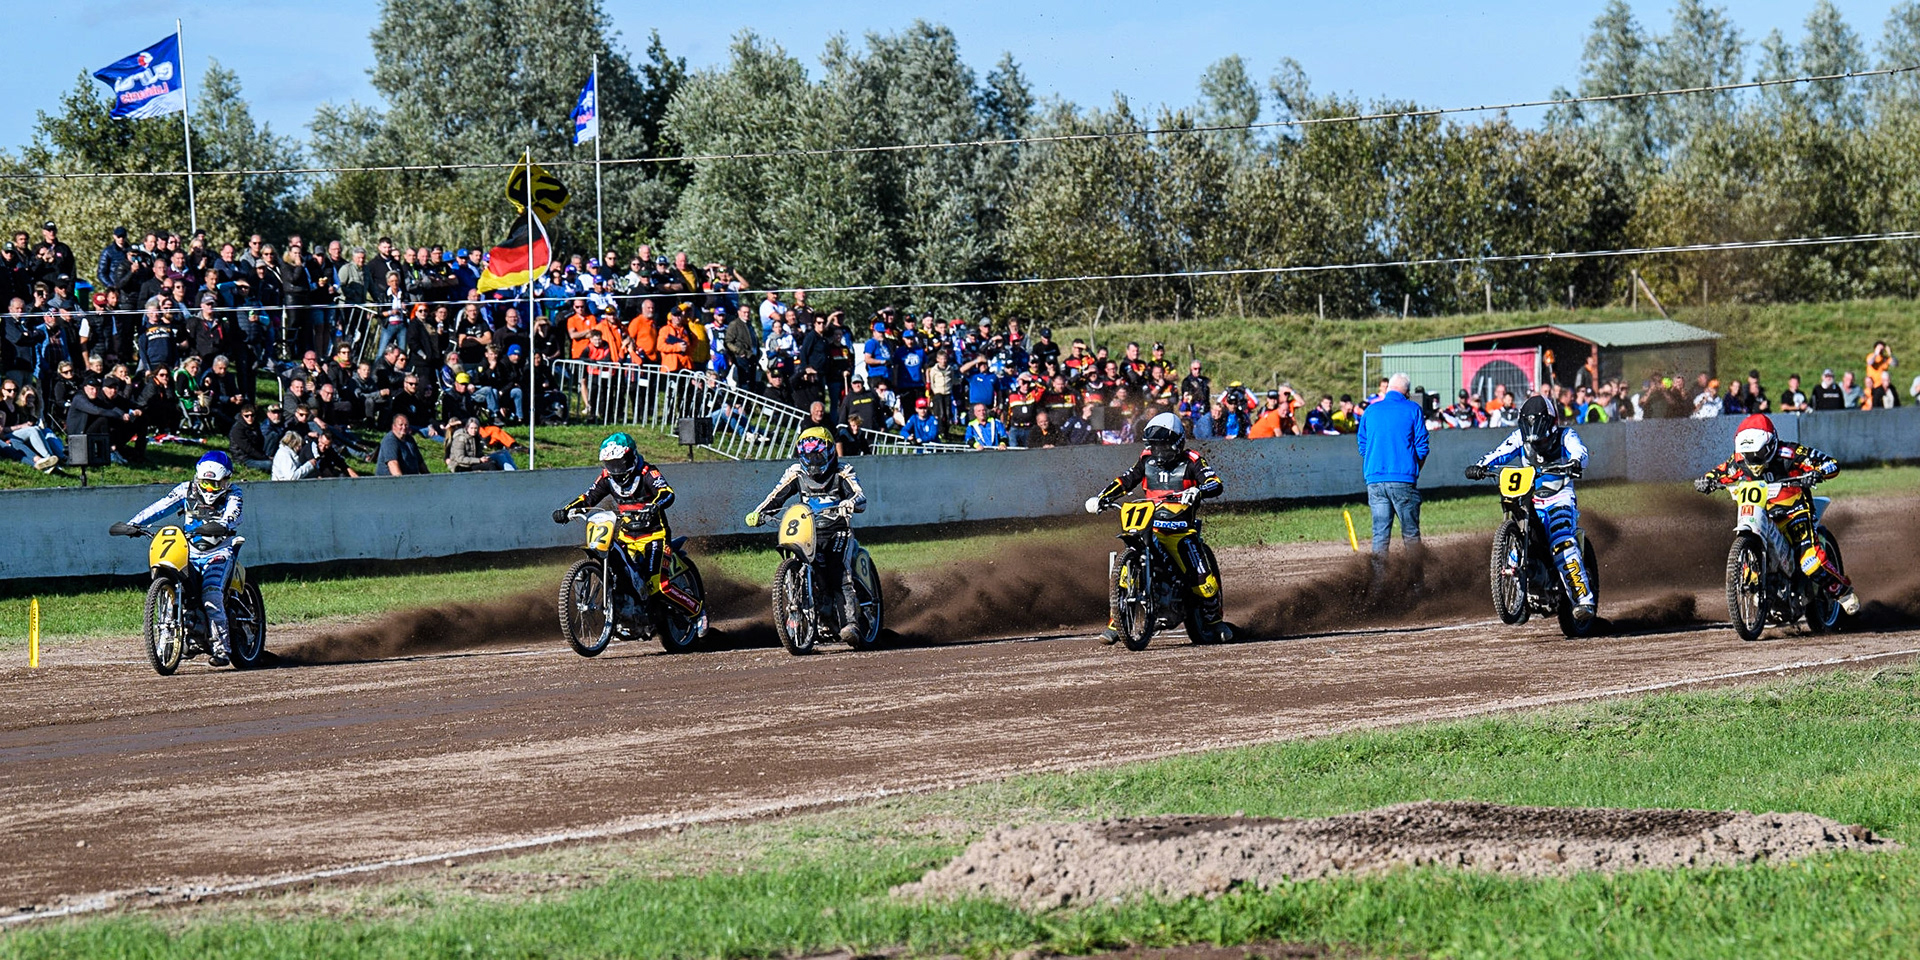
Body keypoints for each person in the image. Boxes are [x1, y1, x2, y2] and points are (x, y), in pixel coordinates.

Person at [1085, 412, 1228, 644]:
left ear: (1179, 442)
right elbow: (1125, 480)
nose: (1159, 452)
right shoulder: (1145, 459)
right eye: (1155, 446)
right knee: (1121, 570)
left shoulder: (1192, 460)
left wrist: (1198, 491)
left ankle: (1214, 622)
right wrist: (1102, 497)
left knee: (1204, 582)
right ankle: (1117, 623)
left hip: (1180, 530)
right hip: (1148, 524)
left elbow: (1215, 483)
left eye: (1164, 446)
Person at [1694, 414, 1859, 614]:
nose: (1752, 459)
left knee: (1810, 563)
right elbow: (1721, 472)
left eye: (1758, 453)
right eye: (1747, 454)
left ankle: (1842, 592)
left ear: (1771, 444)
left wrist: (1818, 472)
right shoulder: (1739, 460)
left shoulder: (1790, 452)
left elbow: (1830, 463)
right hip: (1761, 511)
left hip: (1794, 511)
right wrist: (1706, 480)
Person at [551, 433, 701, 636]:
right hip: (626, 536)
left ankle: (696, 612)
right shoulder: (606, 477)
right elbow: (589, 497)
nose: (616, 469)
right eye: (610, 463)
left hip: (654, 536)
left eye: (619, 462)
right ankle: (622, 610)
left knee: (657, 585)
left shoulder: (647, 471)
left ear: (631, 457)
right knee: (617, 572)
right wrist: (567, 510)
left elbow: (667, 493)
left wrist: (653, 506)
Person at [1464, 395, 1596, 622]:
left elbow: (1580, 452)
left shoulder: (1566, 435)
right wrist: (1480, 466)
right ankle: (1519, 598)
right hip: (1530, 498)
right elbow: (1500, 453)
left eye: (1542, 441)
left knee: (1562, 543)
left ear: (1552, 426)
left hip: (1559, 498)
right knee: (1514, 552)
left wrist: (1575, 462)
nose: (1539, 445)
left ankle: (1583, 601)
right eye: (1534, 442)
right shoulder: (1519, 438)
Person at [108, 452, 245, 665]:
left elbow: (233, 515)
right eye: (204, 483)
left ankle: (222, 649)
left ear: (226, 481)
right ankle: (175, 641)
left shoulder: (234, 494)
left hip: (218, 552)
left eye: (214, 485)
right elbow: (161, 507)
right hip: (188, 549)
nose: (208, 489)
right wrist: (133, 524)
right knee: (178, 591)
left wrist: (224, 524)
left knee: (211, 595)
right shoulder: (185, 490)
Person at [743, 429, 869, 642]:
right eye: (808, 456)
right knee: (801, 564)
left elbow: (860, 496)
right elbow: (776, 496)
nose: (813, 462)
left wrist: (850, 503)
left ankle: (851, 625)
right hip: (807, 530)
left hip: (837, 530)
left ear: (829, 452)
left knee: (838, 570)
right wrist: (759, 513)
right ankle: (805, 617)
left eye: (818, 456)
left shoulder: (843, 471)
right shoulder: (795, 472)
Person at [1356, 373, 1429, 556]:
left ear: (1388, 389)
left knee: (1380, 535)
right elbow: (1422, 446)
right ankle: (1416, 583)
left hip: (1375, 479)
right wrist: (1414, 467)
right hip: (1403, 478)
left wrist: (1376, 461)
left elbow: (1363, 445)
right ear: (1407, 392)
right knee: (1411, 535)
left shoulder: (1371, 411)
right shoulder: (1413, 409)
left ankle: (1379, 582)